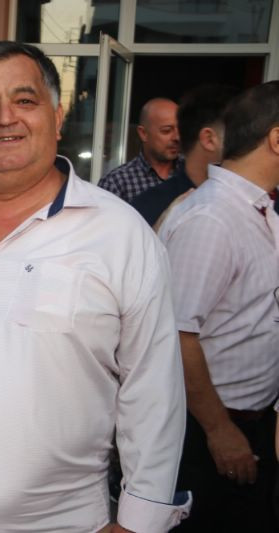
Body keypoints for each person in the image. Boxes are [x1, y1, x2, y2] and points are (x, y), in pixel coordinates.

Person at [0, 41, 190, 532]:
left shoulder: (120, 235)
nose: (5, 118)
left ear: (57, 116)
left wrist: (138, 522)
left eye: (24, 101)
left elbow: (154, 391)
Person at [159, 81, 279, 532]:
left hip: (249, 425)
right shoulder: (211, 217)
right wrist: (219, 430)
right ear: (277, 139)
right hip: (207, 432)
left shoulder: (260, 211)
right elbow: (175, 335)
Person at [131, 84, 237, 229]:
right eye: (239, 135)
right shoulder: (148, 207)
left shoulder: (252, 202)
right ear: (209, 139)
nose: (175, 137)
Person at [99, 97, 181, 203]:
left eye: (181, 130)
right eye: (167, 131)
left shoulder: (192, 172)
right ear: (143, 133)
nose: (177, 137)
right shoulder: (117, 183)